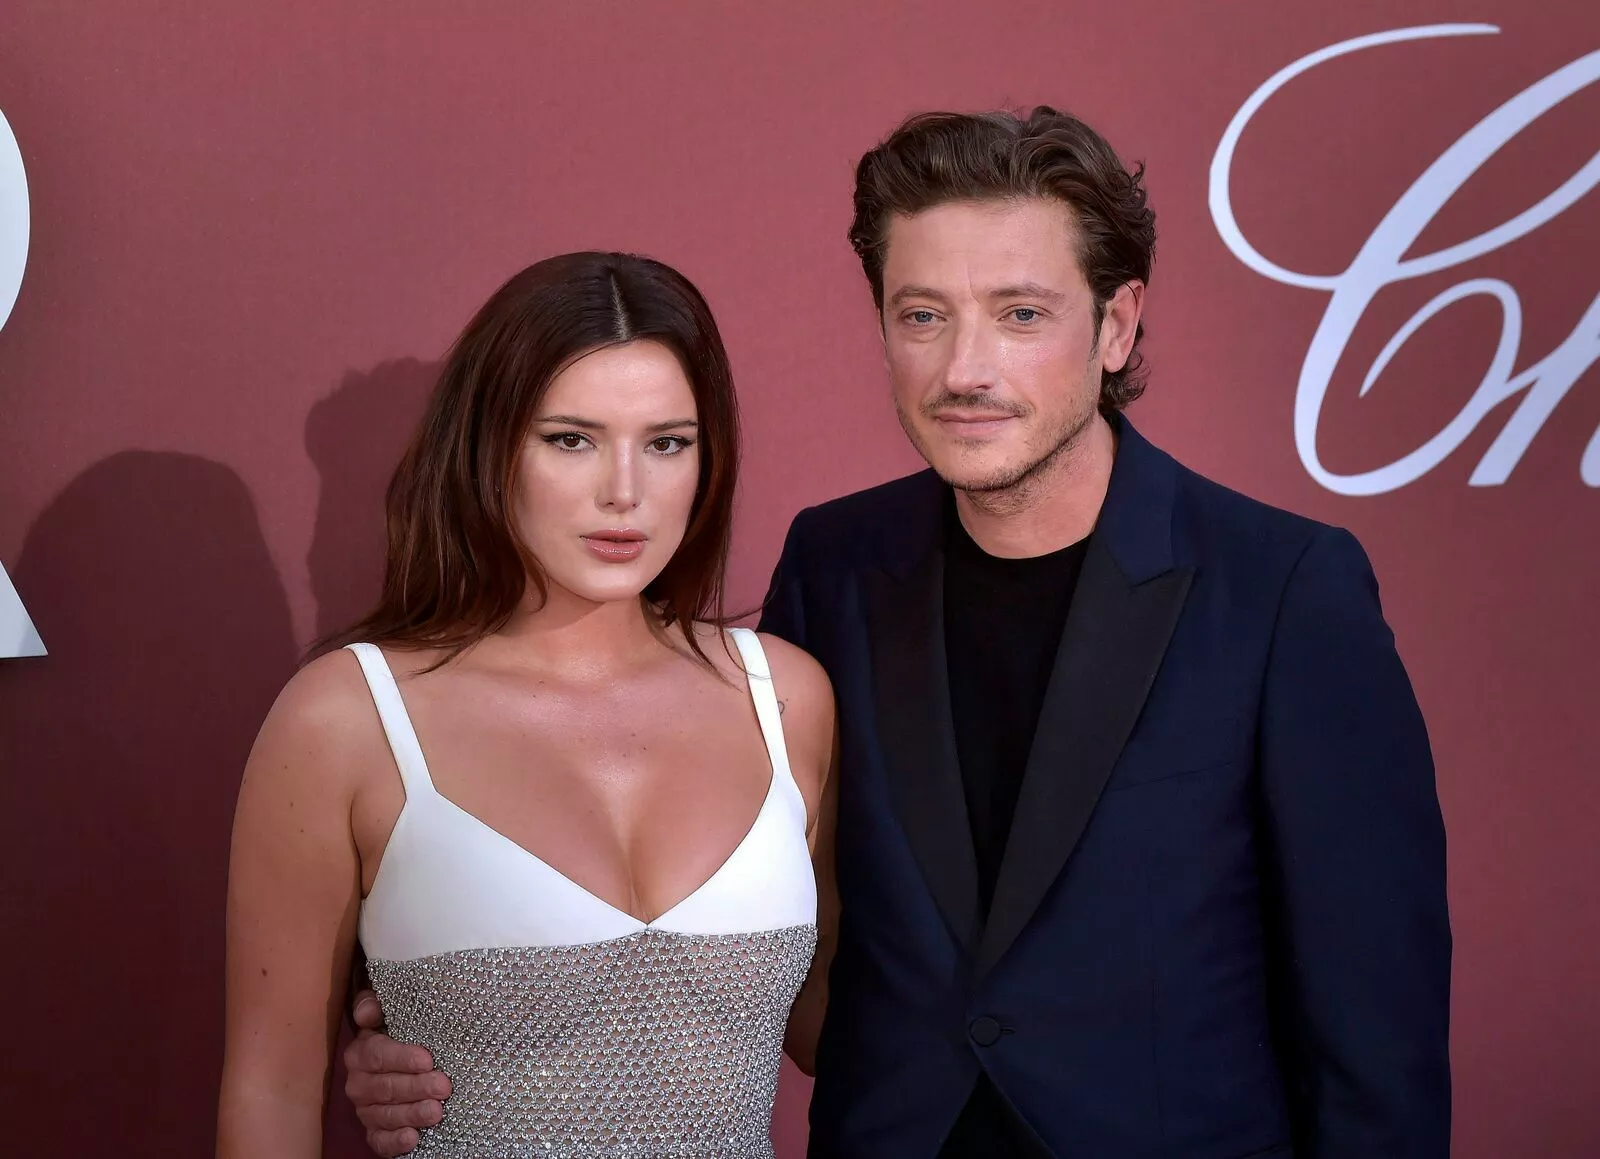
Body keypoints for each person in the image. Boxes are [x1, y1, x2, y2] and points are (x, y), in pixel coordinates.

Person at [346, 109, 1452, 1158]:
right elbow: (746, 924)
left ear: (1115, 326)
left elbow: (1375, 1032)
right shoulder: (834, 566)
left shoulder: (1283, 589)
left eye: (1021, 315)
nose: (964, 370)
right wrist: (447, 1031)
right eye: (923, 316)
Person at [217, 251, 837, 1159]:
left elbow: (844, 1030)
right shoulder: (346, 721)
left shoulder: (786, 700)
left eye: (667, 442)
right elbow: (270, 1092)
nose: (624, 490)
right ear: (489, 447)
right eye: (571, 439)